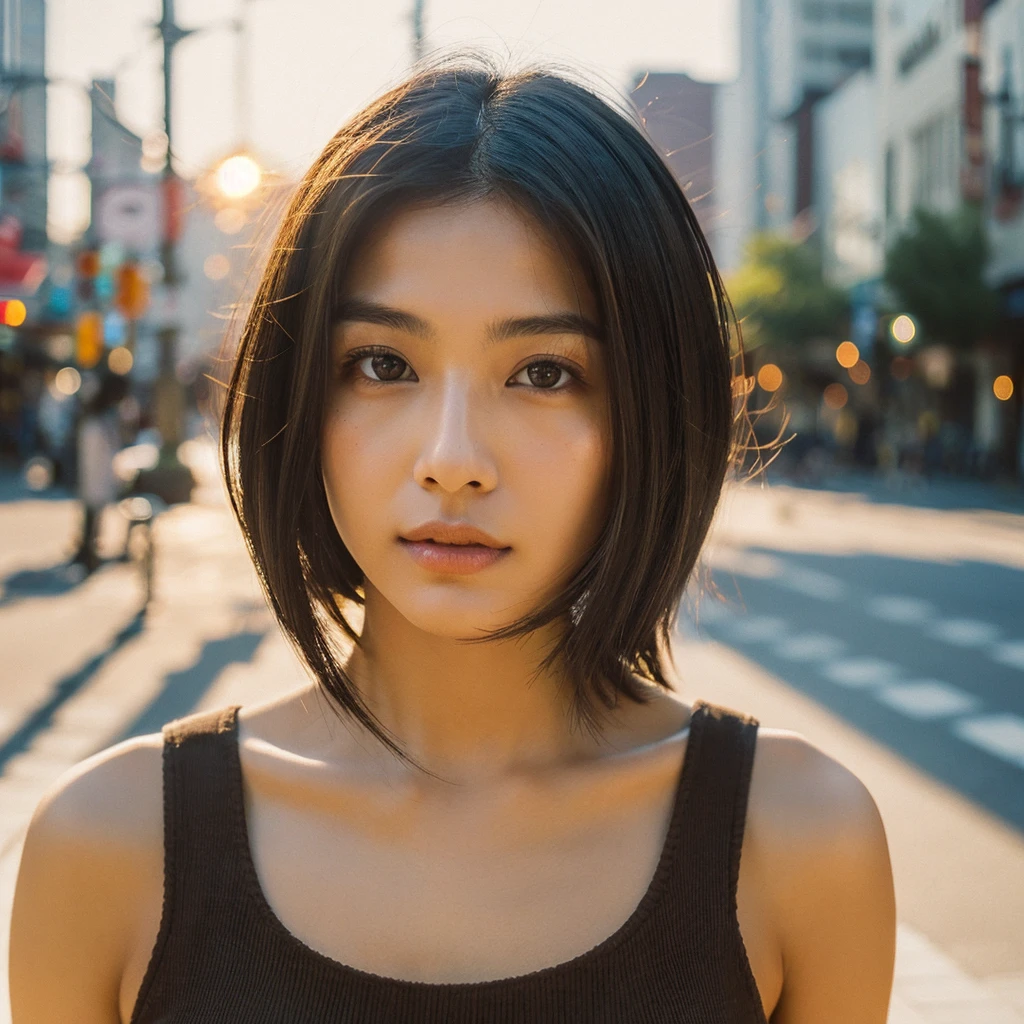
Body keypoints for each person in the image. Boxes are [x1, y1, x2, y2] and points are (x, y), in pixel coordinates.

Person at [10, 52, 896, 1023]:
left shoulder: (798, 840)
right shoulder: (108, 848)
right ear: (298, 394)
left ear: (653, 407)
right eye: (382, 363)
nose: (452, 458)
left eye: (545, 373)